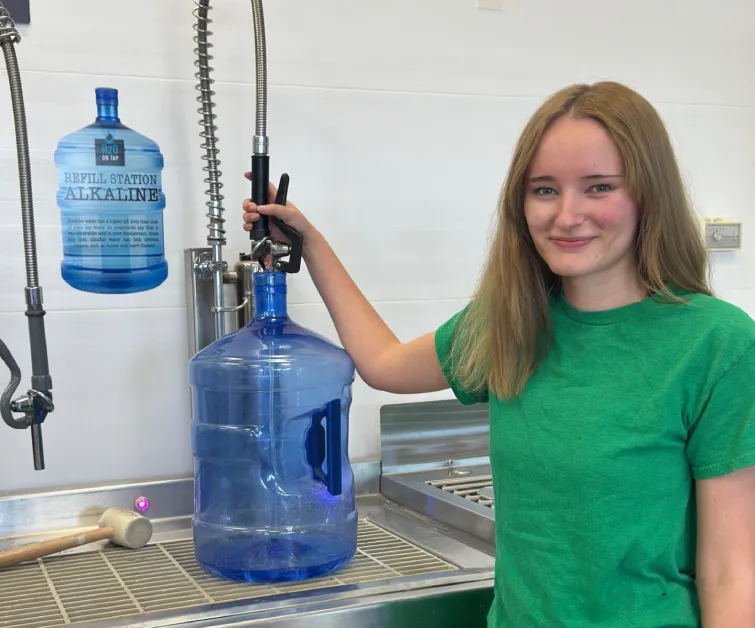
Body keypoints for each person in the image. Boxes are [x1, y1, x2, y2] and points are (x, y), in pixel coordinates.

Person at [241, 81, 755, 627]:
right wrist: (310, 242)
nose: (567, 215)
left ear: (650, 194)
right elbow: (383, 364)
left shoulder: (715, 344)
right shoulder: (511, 321)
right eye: (545, 190)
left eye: (599, 186)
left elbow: (732, 570)